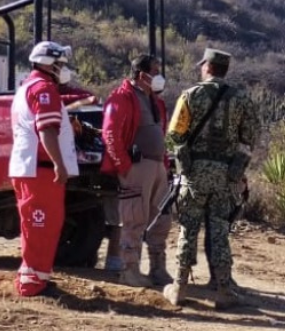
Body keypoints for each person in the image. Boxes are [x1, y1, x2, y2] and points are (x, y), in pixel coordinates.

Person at [162, 48, 261, 310]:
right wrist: (236, 171)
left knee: (188, 227)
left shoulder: (191, 95)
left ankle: (180, 287)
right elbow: (249, 139)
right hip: (225, 175)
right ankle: (224, 289)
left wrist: (185, 164)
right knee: (219, 229)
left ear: (207, 67)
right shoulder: (242, 99)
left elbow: (174, 135)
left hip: (195, 173)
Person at [9, 40, 79, 297]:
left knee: (43, 224)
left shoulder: (29, 86)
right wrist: (60, 163)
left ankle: (38, 277)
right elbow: (47, 129)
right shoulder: (44, 89)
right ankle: (31, 283)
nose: (63, 67)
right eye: (60, 63)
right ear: (49, 63)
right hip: (39, 169)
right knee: (40, 224)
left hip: (34, 168)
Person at [101, 54, 172, 287]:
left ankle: (158, 268)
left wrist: (165, 164)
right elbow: (110, 134)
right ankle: (129, 270)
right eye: (155, 71)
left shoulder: (154, 100)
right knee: (134, 219)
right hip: (138, 166)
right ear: (143, 75)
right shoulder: (121, 97)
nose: (159, 75)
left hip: (157, 166)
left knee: (161, 218)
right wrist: (124, 166)